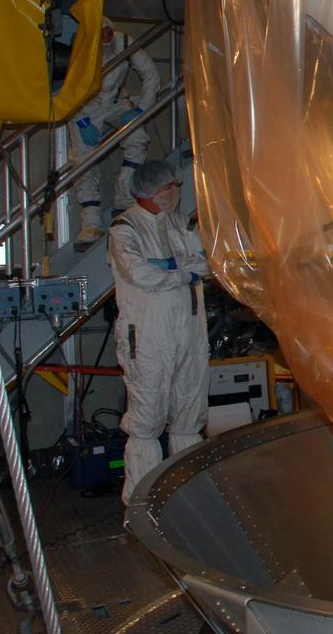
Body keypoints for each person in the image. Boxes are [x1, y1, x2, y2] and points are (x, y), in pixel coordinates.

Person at [107, 160, 209, 504]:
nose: (175, 192)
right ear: (149, 192)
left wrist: (173, 266)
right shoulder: (125, 229)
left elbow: (207, 263)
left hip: (190, 335)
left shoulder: (181, 224)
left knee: (188, 414)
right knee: (147, 418)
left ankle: (191, 500)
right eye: (169, 187)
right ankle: (142, 504)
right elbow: (141, 274)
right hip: (148, 337)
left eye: (175, 186)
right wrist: (184, 271)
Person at [71, 19, 161, 250]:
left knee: (138, 139)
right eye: (100, 35)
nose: (106, 39)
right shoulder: (78, 47)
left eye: (108, 33)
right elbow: (65, 87)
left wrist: (140, 109)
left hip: (117, 102)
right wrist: (80, 119)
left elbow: (151, 74)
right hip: (85, 107)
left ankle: (124, 192)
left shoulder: (125, 42)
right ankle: (91, 220)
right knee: (84, 161)